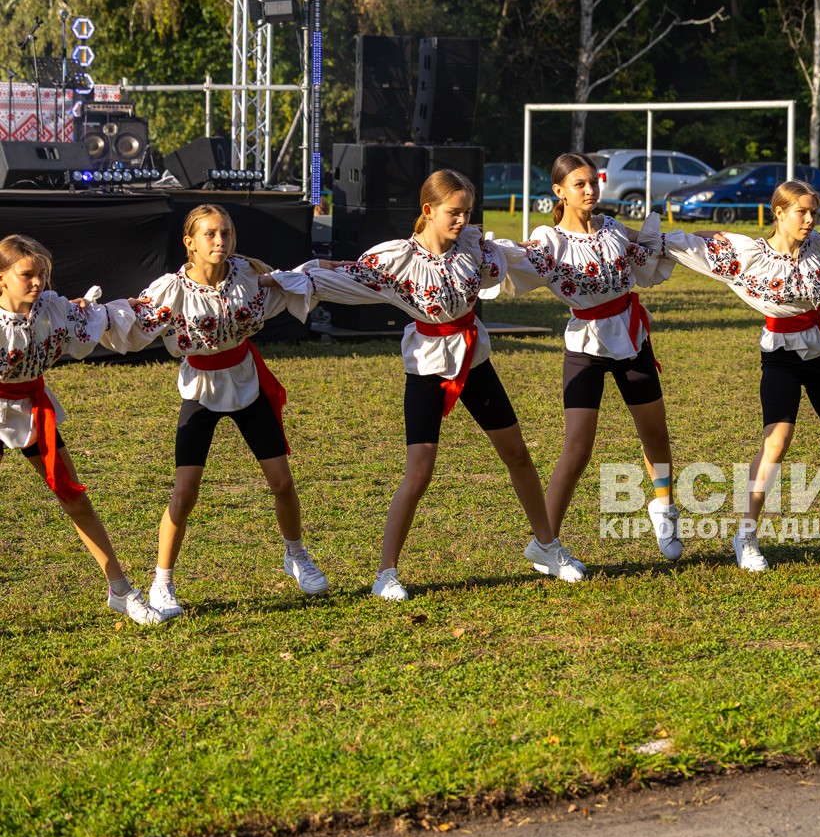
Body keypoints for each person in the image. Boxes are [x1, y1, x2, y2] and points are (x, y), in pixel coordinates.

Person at [303, 170, 558, 597]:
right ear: (428, 210)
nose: (462, 220)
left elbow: (513, 257)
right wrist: (294, 275)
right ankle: (386, 574)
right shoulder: (399, 258)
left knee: (516, 452)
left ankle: (546, 545)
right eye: (454, 212)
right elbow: (348, 275)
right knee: (419, 473)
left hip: (474, 360)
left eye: (467, 212)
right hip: (427, 366)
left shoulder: (472, 247)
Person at [100, 205, 325, 619]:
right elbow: (133, 320)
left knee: (281, 481)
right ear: (190, 242)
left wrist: (325, 273)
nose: (220, 241)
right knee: (185, 491)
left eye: (226, 233)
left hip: (247, 381)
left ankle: (296, 555)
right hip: (200, 389)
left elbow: (288, 285)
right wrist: (96, 314)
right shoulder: (171, 289)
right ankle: (162, 581)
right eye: (210, 234)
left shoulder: (248, 274)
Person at [661, 179, 820, 571]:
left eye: (814, 212)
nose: (810, 219)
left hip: (819, 349)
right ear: (779, 213)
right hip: (780, 354)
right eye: (802, 212)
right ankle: (746, 536)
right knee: (777, 442)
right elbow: (696, 245)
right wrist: (649, 236)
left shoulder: (817, 244)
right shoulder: (752, 255)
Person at [493, 153, 682, 561]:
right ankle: (545, 542)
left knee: (655, 433)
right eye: (579, 184)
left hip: (631, 336)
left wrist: (708, 242)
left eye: (593, 182)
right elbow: (517, 254)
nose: (590, 190)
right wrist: (482, 248)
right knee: (577, 449)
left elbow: (656, 244)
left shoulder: (612, 227)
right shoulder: (551, 240)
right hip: (586, 345)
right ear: (559, 191)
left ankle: (664, 507)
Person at [0, 235, 162, 625]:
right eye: (27, 275)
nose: (37, 282)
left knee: (75, 499)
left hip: (33, 406)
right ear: (1, 278)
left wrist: (126, 307)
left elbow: (95, 318)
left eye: (42, 274)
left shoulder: (52, 308)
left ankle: (120, 590)